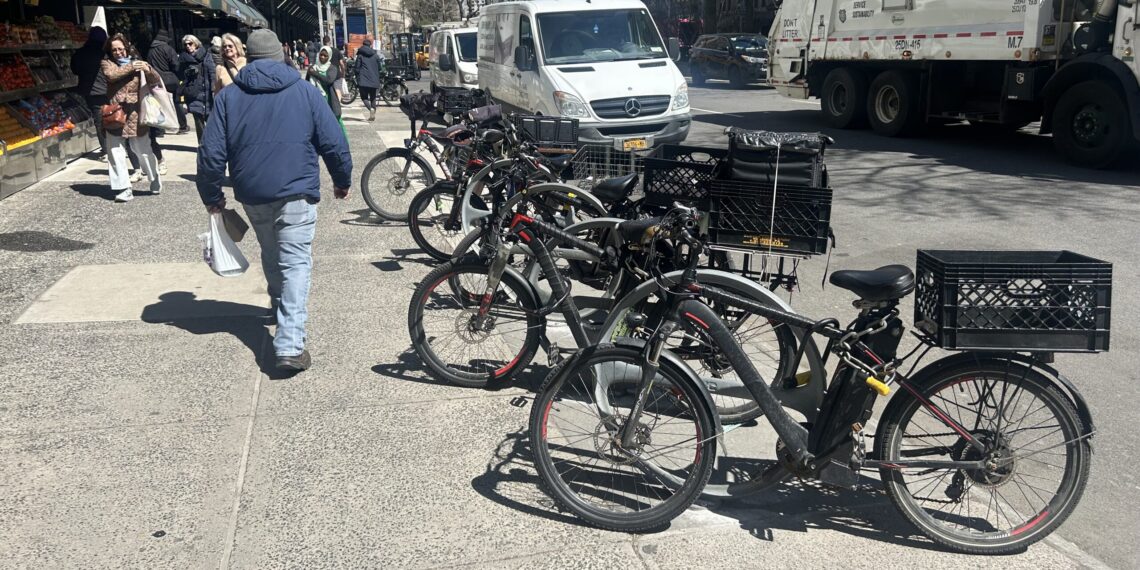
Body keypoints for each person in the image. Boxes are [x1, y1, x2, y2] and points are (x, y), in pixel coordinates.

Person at [196, 28, 352, 372]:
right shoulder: (305, 93)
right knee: (296, 262)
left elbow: (210, 154)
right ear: (281, 56)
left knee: (271, 251)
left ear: (248, 58)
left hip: (253, 192)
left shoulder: (229, 97)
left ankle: (279, 305)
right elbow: (333, 141)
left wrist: (211, 194)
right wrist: (342, 180)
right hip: (297, 189)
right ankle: (290, 342)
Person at [101, 33, 162, 202]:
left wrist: (147, 69)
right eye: (114, 50)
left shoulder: (138, 62)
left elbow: (156, 79)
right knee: (115, 151)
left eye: (121, 49)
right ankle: (124, 188)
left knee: (142, 149)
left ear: (126, 48)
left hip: (136, 113)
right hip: (115, 112)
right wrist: (133, 66)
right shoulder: (107, 63)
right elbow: (112, 75)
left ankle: (153, 176)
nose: (118, 52)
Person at [71, 26, 108, 156]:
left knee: (99, 121)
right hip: (107, 90)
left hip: (90, 92)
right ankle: (119, 144)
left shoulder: (80, 53)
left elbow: (74, 70)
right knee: (114, 117)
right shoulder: (105, 53)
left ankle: (106, 149)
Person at [147, 29, 187, 135]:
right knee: (176, 102)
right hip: (170, 79)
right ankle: (182, 125)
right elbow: (176, 65)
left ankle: (159, 129)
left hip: (156, 80)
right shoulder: (167, 49)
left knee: (159, 104)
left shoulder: (150, 50)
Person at [179, 34, 215, 141]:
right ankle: (202, 146)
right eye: (185, 45)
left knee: (212, 125)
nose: (188, 46)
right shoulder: (183, 59)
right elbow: (180, 77)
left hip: (207, 95)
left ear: (196, 44)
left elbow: (212, 73)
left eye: (190, 44)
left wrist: (214, 90)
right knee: (199, 125)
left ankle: (213, 146)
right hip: (193, 94)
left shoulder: (206, 56)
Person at [307, 46, 344, 135]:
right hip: (315, 98)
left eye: (325, 55)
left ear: (329, 57)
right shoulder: (313, 67)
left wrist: (315, 73)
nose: (322, 57)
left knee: (333, 122)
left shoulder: (332, 68)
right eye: (321, 55)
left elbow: (328, 80)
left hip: (328, 99)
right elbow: (307, 83)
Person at [354, 35, 382, 121]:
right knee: (373, 97)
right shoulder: (375, 55)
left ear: (363, 45)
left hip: (363, 80)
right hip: (374, 80)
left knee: (364, 97)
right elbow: (380, 68)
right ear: (370, 46)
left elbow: (357, 68)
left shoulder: (360, 55)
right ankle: (372, 113)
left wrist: (357, 75)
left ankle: (371, 109)